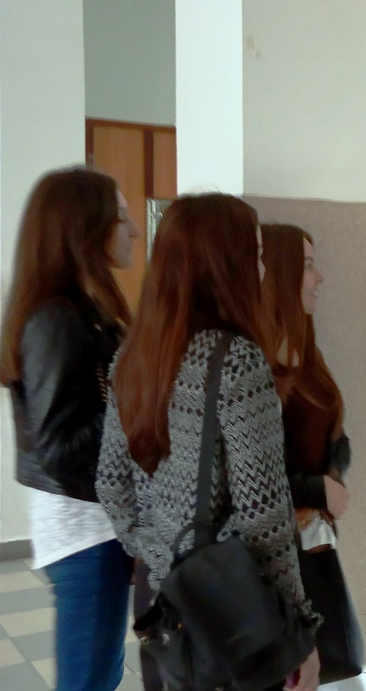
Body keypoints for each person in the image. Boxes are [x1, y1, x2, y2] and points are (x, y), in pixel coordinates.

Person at [95, 194, 321, 691]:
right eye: (256, 254)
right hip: (229, 608)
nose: (264, 269)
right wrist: (300, 631)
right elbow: (264, 518)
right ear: (225, 265)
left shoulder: (131, 358)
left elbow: (110, 484)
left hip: (161, 603)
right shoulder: (237, 361)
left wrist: (158, 553)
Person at [0, 167, 137, 691]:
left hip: (101, 524)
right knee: (89, 680)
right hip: (86, 532)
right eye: (121, 217)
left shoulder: (88, 311)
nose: (134, 230)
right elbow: (59, 449)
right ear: (85, 228)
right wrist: (135, 399)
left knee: (100, 673)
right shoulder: (56, 320)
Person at [260, 223, 351, 528]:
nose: (319, 277)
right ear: (281, 274)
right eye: (308, 266)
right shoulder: (253, 365)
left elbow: (338, 437)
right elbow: (257, 474)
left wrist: (332, 477)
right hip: (278, 537)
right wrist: (318, 490)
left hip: (317, 533)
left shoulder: (308, 354)